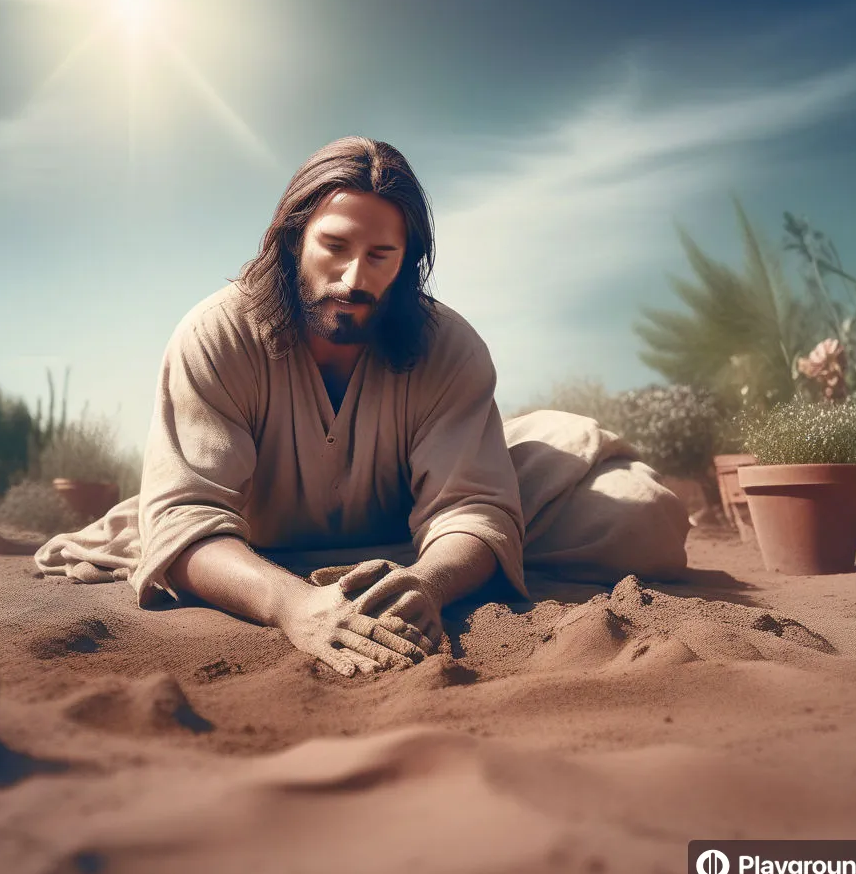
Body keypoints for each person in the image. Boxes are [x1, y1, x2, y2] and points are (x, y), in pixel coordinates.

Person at [35, 137, 692, 677]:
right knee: (174, 535)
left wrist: (431, 582)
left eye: (380, 256)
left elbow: (472, 505)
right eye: (334, 247)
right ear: (294, 240)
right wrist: (291, 604)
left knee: (646, 520)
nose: (353, 278)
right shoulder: (215, 335)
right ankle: (275, 570)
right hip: (261, 534)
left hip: (415, 526)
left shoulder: (449, 346)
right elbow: (186, 514)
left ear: (407, 264)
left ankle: (416, 558)